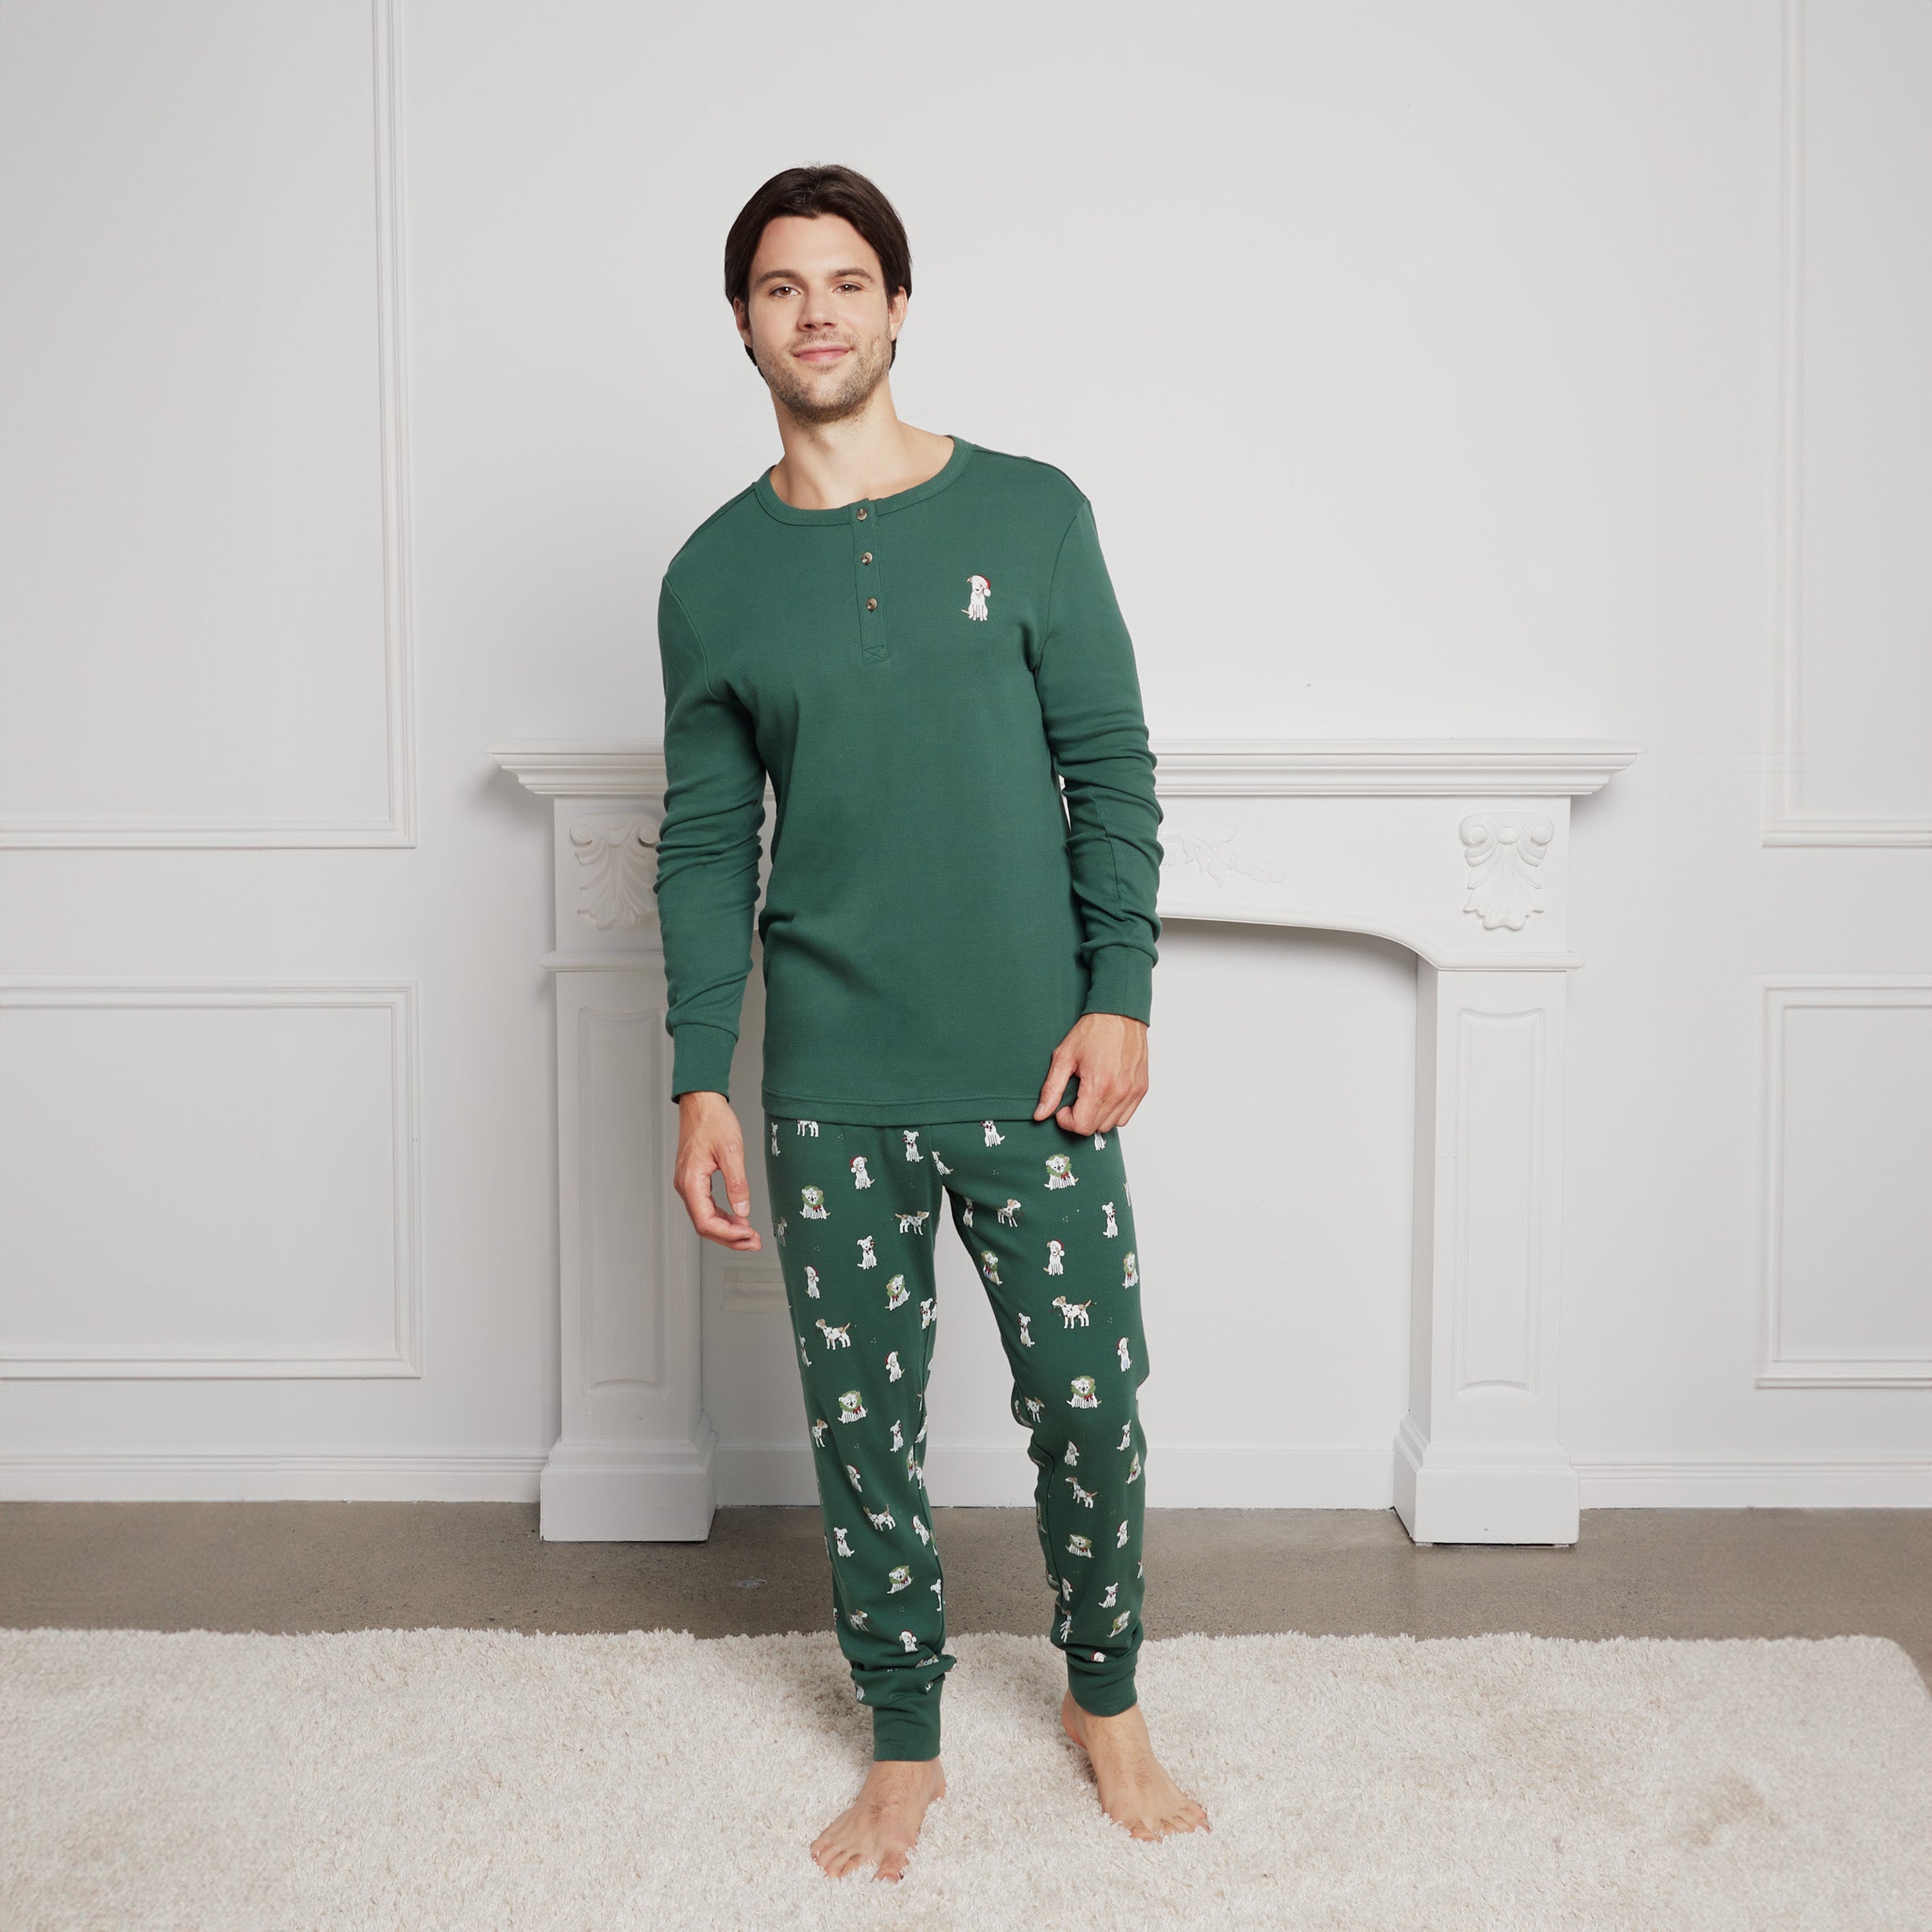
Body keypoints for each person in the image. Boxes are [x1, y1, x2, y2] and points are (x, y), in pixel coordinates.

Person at [651, 163, 1209, 1881]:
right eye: (780, 286)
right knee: (862, 1433)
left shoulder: (1032, 515)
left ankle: (1104, 1698)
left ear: (898, 308)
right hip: (831, 1084)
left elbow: (1110, 770)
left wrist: (1121, 994)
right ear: (742, 323)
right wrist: (698, 1077)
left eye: (846, 281)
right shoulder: (713, 578)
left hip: (1035, 1069)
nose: (815, 312)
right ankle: (904, 1737)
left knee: (1092, 1404)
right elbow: (704, 843)